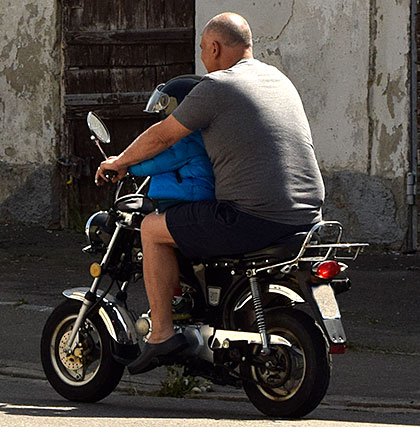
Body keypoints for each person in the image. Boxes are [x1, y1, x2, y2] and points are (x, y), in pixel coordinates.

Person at [95, 12, 325, 375]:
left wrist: (120, 161)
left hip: (253, 217)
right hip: (308, 216)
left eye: (203, 49)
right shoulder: (277, 79)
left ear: (215, 47)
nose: (203, 57)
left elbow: (163, 136)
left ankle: (162, 333)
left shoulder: (216, 86)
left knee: (153, 229)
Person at [129, 75, 215, 212]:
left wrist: (128, 167)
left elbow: (156, 164)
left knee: (148, 225)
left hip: (187, 198)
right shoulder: (198, 137)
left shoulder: (186, 142)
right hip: (188, 197)